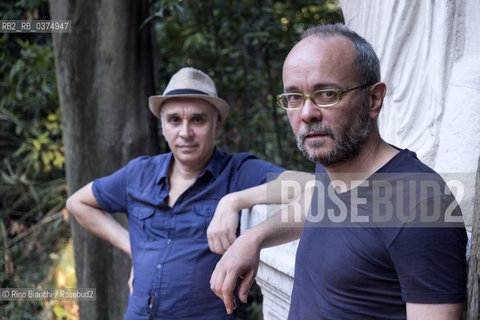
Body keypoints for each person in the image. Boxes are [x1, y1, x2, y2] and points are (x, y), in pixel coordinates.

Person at [210, 23, 467, 319]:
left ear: (373, 99)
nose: (307, 113)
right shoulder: (331, 165)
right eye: (294, 98)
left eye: (327, 94)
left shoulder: (421, 207)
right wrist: (253, 237)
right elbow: (317, 200)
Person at [66, 67, 313, 319]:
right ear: (162, 126)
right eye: (174, 120)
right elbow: (77, 203)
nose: (185, 133)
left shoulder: (237, 172)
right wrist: (133, 249)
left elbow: (309, 184)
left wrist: (234, 200)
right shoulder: (138, 173)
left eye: (197, 120)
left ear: (216, 125)